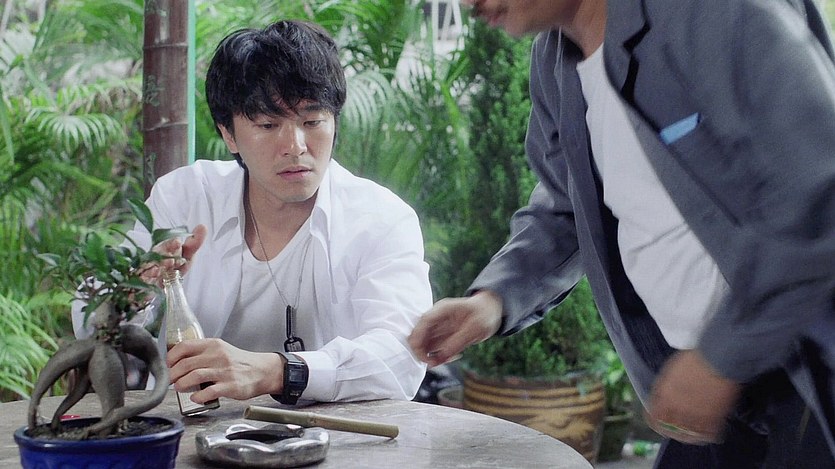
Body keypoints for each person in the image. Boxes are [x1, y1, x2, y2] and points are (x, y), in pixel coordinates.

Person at [408, 0, 835, 466]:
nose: (469, 5)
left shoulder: (710, 13)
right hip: (711, 391)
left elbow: (818, 201)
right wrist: (493, 301)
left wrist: (721, 358)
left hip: (802, 373)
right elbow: (566, 205)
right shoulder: (556, 63)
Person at [73, 20, 432, 406]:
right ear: (228, 134)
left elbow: (402, 357)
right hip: (187, 429)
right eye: (268, 124)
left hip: (334, 435)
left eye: (312, 121)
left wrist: (279, 371)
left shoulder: (382, 219)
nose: (295, 145)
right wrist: (134, 288)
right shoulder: (185, 198)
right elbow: (87, 320)